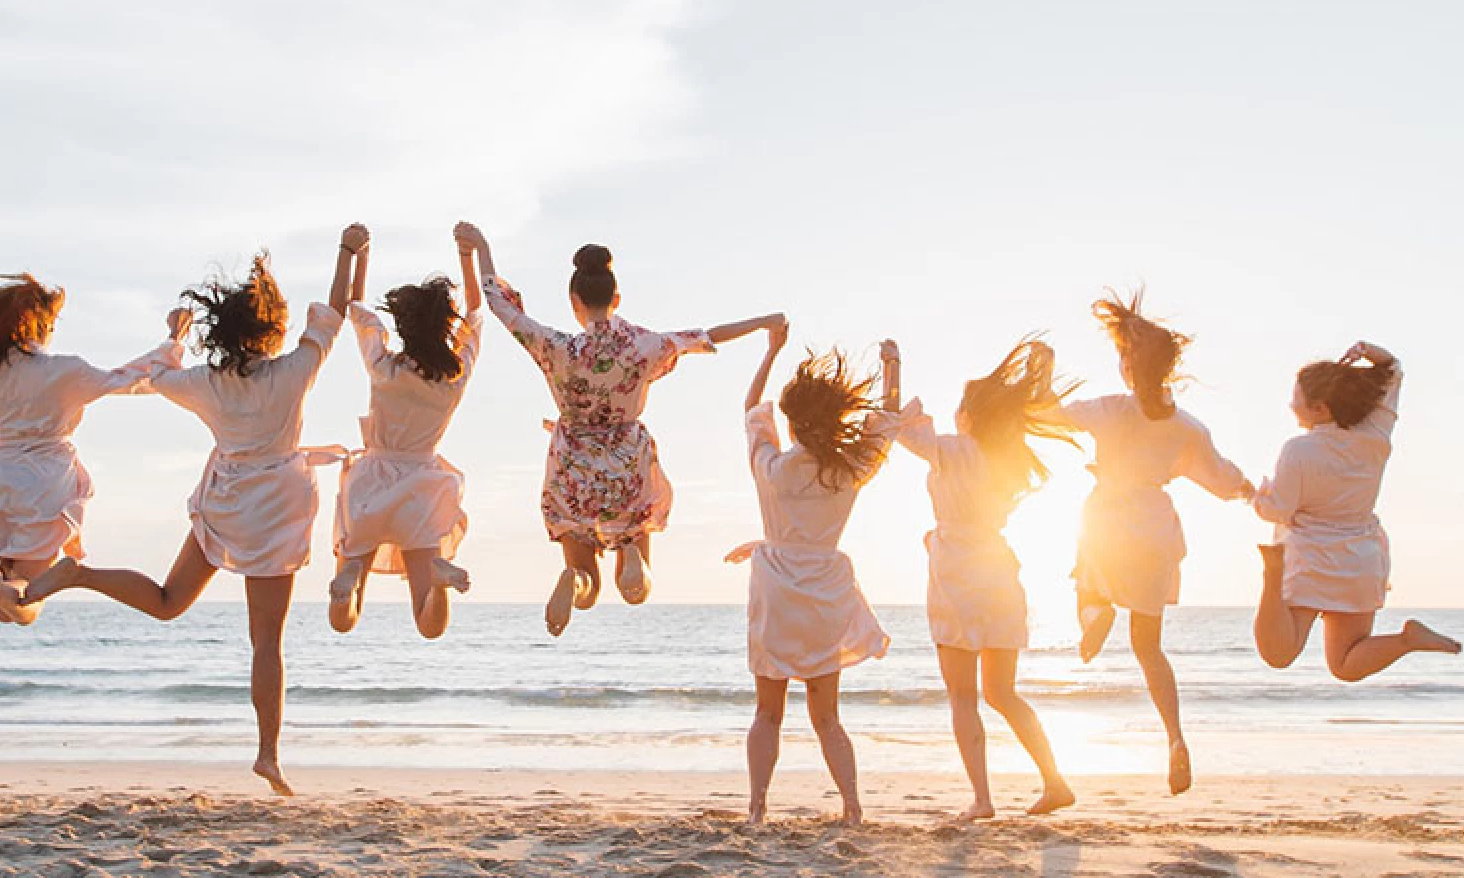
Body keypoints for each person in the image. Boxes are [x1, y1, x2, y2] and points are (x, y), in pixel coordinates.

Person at [25, 227, 365, 795]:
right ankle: (268, 754)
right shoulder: (294, 372)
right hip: (277, 505)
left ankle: (79, 574)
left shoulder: (205, 383)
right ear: (273, 330)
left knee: (167, 602)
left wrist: (172, 335)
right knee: (267, 643)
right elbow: (333, 311)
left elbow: (157, 377)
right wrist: (351, 254)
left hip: (227, 498)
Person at [455, 222, 786, 634]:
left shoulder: (556, 347)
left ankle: (575, 581)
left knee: (589, 587)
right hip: (627, 463)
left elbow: (503, 308)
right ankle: (632, 557)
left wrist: (480, 248)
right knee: (636, 590)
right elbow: (705, 335)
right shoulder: (643, 347)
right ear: (617, 299)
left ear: (573, 301)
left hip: (572, 464)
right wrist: (763, 323)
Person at [1055, 290, 1252, 794]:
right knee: (1149, 647)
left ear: (1126, 365)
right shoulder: (1188, 427)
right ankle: (1175, 737)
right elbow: (1220, 477)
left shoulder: (1110, 409)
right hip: (1155, 527)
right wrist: (1247, 489)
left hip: (1108, 520)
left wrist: (1034, 381)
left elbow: (1051, 415)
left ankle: (1094, 610)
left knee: (1088, 579)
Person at [0, 274, 186, 625]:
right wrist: (174, 340)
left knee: (2, 603)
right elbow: (129, 379)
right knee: (27, 601)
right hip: (44, 481)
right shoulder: (61, 370)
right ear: (40, 324)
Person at [893, 336, 1080, 821]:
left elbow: (896, 427)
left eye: (960, 408)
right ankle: (1054, 781)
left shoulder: (954, 449)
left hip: (957, 573)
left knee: (963, 696)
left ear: (970, 417)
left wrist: (893, 366)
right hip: (997, 570)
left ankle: (982, 800)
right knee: (1002, 693)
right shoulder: (1007, 459)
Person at [731, 323, 893, 824]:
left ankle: (758, 809)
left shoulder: (772, 468)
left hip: (776, 586)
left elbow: (750, 408)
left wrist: (771, 351)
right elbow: (884, 425)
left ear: (794, 424)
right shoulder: (847, 472)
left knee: (767, 712)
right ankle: (851, 808)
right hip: (825, 589)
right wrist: (893, 369)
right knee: (827, 716)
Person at [1250, 340, 1461, 678]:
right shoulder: (1375, 432)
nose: (1291, 404)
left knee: (1279, 654)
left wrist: (1257, 497)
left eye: (1297, 398)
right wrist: (1366, 350)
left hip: (1311, 557)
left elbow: (1277, 510)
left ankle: (1271, 574)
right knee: (1345, 665)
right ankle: (1407, 640)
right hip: (1360, 559)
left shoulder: (1299, 449)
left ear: (1320, 408)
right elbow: (1393, 369)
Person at [327, 226, 482, 638]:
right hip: (423, 485)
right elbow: (475, 315)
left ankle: (347, 586)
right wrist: (468, 256)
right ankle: (438, 583)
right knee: (429, 625)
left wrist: (360, 256)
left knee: (344, 619)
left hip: (372, 481)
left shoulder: (385, 368)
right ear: (443, 326)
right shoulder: (454, 376)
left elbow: (356, 309)